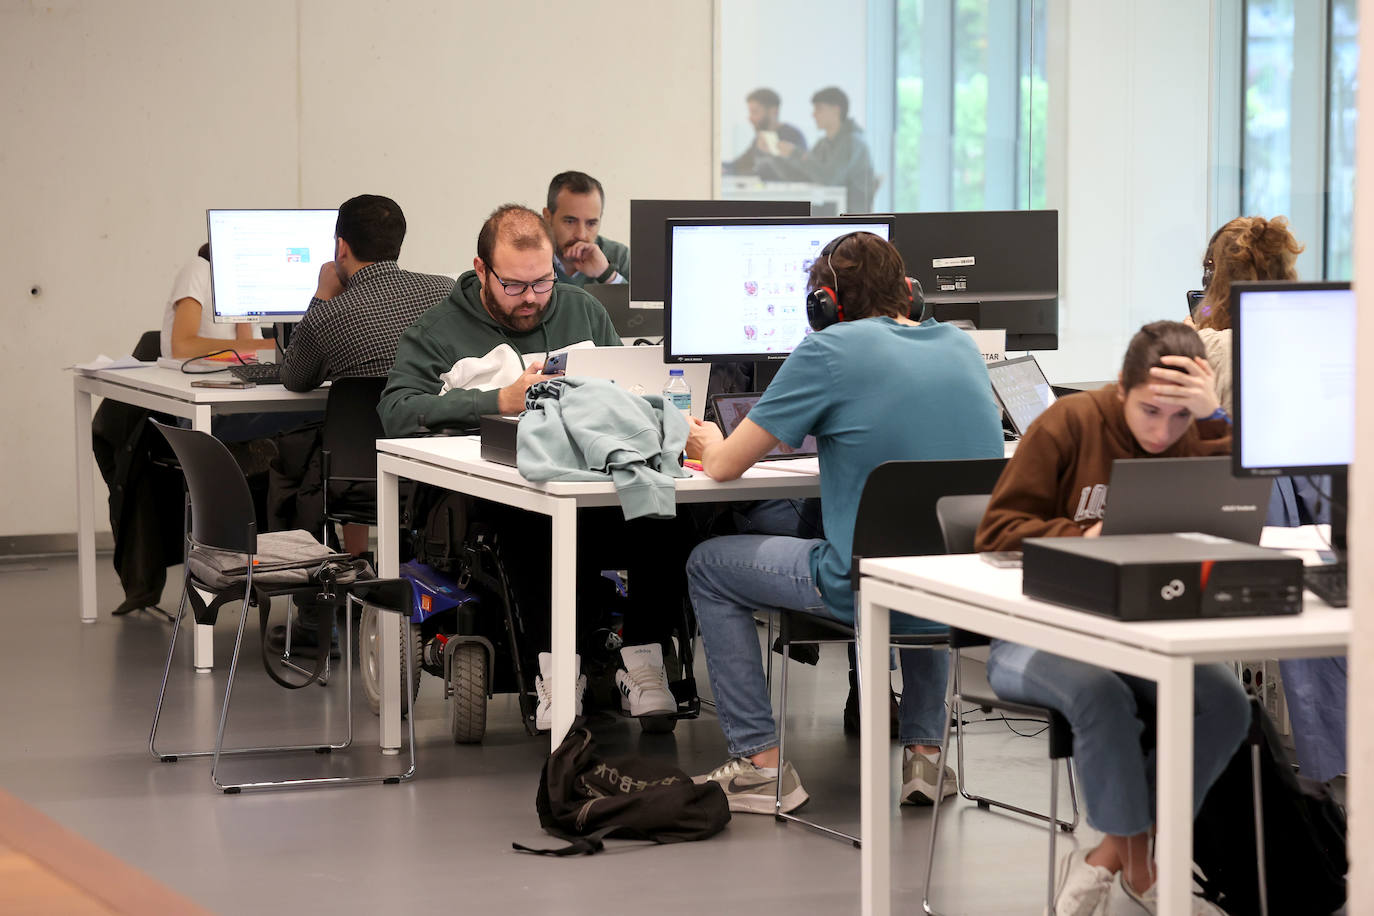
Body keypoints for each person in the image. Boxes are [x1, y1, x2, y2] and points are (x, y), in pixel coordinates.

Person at [684, 232, 1004, 814]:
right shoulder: (960, 346)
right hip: (957, 592)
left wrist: (706, 438)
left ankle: (759, 766)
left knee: (708, 565)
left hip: (864, 588)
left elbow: (726, 465)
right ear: (910, 293)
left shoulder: (827, 352)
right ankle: (926, 758)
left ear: (824, 305)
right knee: (918, 552)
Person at [974, 321, 1247, 915]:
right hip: (1035, 632)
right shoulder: (1067, 425)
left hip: (1140, 633)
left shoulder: (1185, 431)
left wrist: (1214, 417)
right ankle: (1144, 867)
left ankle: (1111, 855)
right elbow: (995, 532)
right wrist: (1087, 535)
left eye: (1179, 418)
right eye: (1151, 411)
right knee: (1098, 692)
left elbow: (1241, 493)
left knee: (1227, 702)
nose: (1162, 431)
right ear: (1121, 389)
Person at [379, 204, 683, 724]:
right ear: (482, 271)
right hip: (502, 491)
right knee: (532, 521)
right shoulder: (438, 331)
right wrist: (496, 401)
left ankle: (645, 661)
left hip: (592, 473)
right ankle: (557, 673)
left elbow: (628, 393)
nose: (532, 300)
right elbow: (396, 410)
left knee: (662, 512)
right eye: (515, 287)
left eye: (542, 283)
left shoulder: (582, 310)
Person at [1191, 216, 1346, 785]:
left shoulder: (1205, 340)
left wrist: (1209, 305)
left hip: (1247, 509)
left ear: (1217, 275)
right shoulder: (1319, 335)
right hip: (1324, 507)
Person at [279, 194, 454, 393]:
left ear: (341, 247)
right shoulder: (446, 291)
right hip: (431, 422)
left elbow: (294, 381)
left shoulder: (325, 317)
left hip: (356, 424)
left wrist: (321, 297)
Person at [756, 86, 877, 213]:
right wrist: (775, 155)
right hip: (828, 211)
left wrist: (795, 153)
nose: (813, 115)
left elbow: (829, 178)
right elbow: (801, 176)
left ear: (836, 110)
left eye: (819, 109)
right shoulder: (823, 143)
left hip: (849, 216)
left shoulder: (853, 142)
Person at [159, 243, 276, 359]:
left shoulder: (246, 292)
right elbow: (183, 348)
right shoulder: (199, 267)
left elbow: (249, 354)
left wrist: (243, 316)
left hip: (223, 374)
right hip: (183, 375)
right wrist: (268, 345)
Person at [541, 171, 630, 287]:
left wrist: (607, 274)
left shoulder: (619, 256)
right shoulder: (529, 255)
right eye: (570, 222)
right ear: (547, 217)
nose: (581, 235)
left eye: (591, 223)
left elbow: (643, 304)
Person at [723, 87, 808, 177]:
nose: (750, 118)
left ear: (773, 111)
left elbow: (774, 174)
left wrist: (731, 173)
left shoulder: (791, 136)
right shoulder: (761, 138)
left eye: (755, 112)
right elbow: (739, 165)